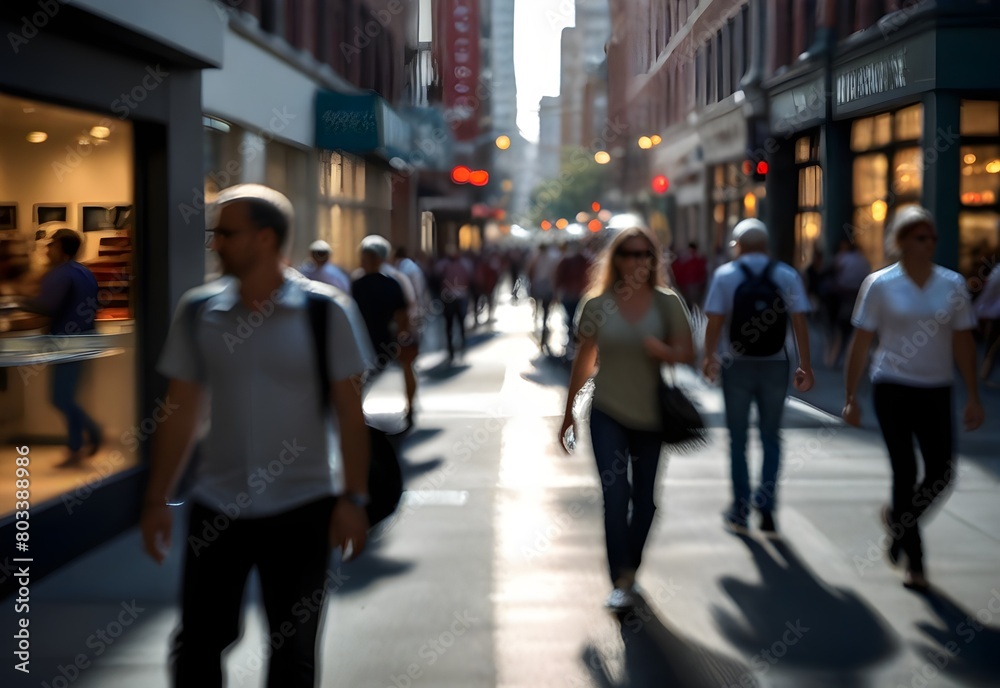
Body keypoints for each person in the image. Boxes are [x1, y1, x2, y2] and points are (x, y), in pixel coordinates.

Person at [140, 184, 372, 687]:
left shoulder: (324, 311)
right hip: (216, 506)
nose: (215, 243)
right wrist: (158, 498)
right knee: (198, 643)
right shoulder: (199, 310)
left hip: (304, 506)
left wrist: (354, 497)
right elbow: (179, 410)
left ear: (265, 239)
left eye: (226, 233)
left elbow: (350, 416)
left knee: (293, 652)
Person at [843, 206, 984, 591]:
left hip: (937, 389)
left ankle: (899, 522)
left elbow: (964, 342)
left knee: (941, 475)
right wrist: (851, 396)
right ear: (902, 241)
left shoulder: (952, 284)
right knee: (904, 472)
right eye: (922, 238)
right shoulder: (880, 284)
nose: (930, 244)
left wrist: (973, 394)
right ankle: (916, 564)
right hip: (892, 386)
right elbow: (861, 344)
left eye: (933, 238)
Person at [559, 224, 694, 611]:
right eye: (628, 254)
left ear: (653, 260)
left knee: (646, 502)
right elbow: (583, 361)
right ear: (615, 259)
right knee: (615, 496)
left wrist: (662, 350)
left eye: (644, 254)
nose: (636, 261)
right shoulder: (597, 303)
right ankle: (620, 579)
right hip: (606, 413)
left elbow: (688, 354)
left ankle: (631, 568)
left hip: (652, 414)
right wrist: (568, 413)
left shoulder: (667, 302)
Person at [701, 218, 814, 534]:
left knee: (738, 438)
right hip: (776, 363)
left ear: (738, 246)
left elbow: (715, 320)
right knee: (770, 436)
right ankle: (767, 506)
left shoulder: (726, 275)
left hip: (736, 365)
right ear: (766, 245)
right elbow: (800, 322)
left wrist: (709, 357)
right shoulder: (786, 274)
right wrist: (805, 364)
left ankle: (739, 508)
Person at [23, 228, 102, 468]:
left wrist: (17, 299)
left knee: (60, 397)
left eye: (51, 245)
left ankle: (93, 432)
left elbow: (47, 307)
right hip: (85, 339)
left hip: (67, 342)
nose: (47, 250)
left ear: (61, 248)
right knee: (67, 396)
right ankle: (75, 449)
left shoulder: (61, 274)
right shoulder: (85, 272)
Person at [352, 235, 418, 429]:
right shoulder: (359, 282)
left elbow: (403, 312)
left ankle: (411, 407)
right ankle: (355, 412)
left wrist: (402, 334)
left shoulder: (391, 282)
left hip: (387, 336)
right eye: (364, 258)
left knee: (406, 369)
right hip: (371, 336)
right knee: (357, 377)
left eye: (369, 258)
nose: (366, 262)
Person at [554, 239, 592, 362]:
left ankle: (572, 344)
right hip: (577, 296)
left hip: (573, 296)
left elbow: (558, 278)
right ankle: (573, 344)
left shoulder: (568, 260)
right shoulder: (585, 260)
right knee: (576, 321)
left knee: (572, 321)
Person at [434, 245, 473, 363]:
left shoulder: (445, 265)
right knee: (453, 322)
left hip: (457, 297)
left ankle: (458, 345)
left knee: (457, 322)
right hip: (452, 297)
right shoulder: (446, 265)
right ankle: (455, 346)